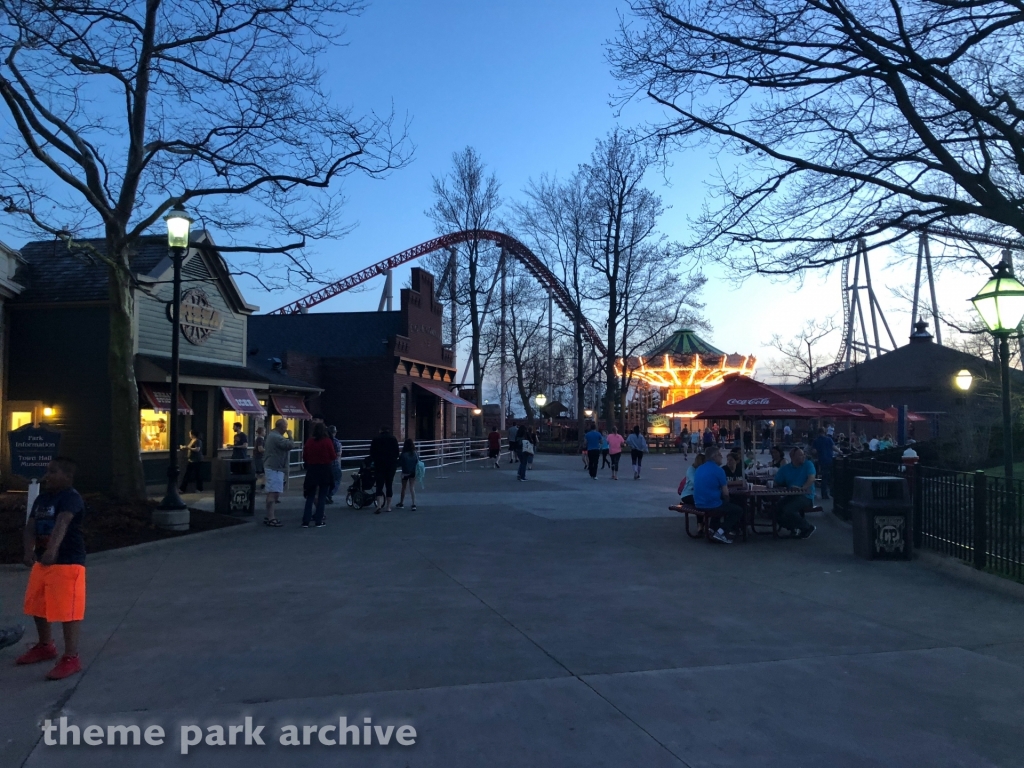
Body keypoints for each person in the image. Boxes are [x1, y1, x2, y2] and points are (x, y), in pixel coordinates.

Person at [17, 457, 86, 680]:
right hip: (43, 561)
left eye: (53, 472)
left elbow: (62, 523)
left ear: (67, 476)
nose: (48, 476)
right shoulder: (42, 499)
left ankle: (71, 657)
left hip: (67, 561)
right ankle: (45, 645)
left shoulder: (70, 498)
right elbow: (30, 526)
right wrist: (29, 551)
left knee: (68, 610)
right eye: (47, 471)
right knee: (38, 605)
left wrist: (52, 550)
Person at [693, 448, 745, 544]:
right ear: (715, 456)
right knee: (737, 510)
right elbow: (726, 493)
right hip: (711, 504)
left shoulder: (700, 468)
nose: (722, 457)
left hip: (698, 502)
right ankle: (721, 531)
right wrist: (728, 500)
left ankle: (712, 528)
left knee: (720, 503)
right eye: (720, 454)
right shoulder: (719, 470)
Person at [773, 448, 817, 539]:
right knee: (776, 509)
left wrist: (802, 488)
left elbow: (811, 478)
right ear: (792, 457)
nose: (803, 456)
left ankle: (807, 527)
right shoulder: (785, 468)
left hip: (806, 495)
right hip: (791, 495)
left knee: (788, 509)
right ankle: (793, 527)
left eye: (803, 454)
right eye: (800, 455)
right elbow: (777, 482)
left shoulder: (808, 464)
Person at [301, 422, 336, 528]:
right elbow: (333, 456)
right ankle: (318, 520)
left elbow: (305, 456)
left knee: (310, 496)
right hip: (325, 469)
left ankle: (305, 521)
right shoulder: (327, 441)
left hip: (312, 470)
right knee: (322, 496)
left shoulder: (309, 441)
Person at [263, 419, 295, 527]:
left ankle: (269, 516)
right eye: (285, 427)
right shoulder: (276, 437)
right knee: (273, 493)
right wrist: (290, 436)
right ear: (282, 427)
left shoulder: (272, 435)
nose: (286, 429)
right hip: (274, 468)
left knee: (273, 492)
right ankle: (271, 517)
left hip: (275, 467)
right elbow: (289, 445)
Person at [369, 426, 400, 513]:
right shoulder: (393, 439)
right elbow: (397, 453)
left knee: (379, 485)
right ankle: (388, 507)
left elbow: (372, 452)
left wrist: (375, 460)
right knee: (389, 485)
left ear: (380, 430)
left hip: (379, 465)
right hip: (391, 465)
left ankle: (379, 505)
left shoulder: (376, 439)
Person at [811, 427, 836, 500]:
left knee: (824, 477)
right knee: (831, 477)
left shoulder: (816, 441)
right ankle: (831, 492)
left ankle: (824, 493)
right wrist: (840, 452)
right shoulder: (828, 439)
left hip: (821, 460)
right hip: (830, 460)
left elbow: (814, 451)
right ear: (824, 432)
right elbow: (834, 447)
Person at [396, 438, 419, 511]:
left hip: (405, 472)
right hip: (413, 472)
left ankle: (401, 503)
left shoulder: (403, 454)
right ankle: (414, 504)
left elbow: (399, 463)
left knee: (403, 488)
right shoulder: (415, 453)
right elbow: (418, 461)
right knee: (412, 488)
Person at [326, 425, 343, 503]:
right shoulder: (336, 442)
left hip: (326, 464)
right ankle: (330, 494)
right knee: (337, 479)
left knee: (328, 481)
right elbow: (338, 454)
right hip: (335, 464)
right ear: (334, 432)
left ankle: (326, 494)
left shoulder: (325, 440)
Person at [253, 426, 266, 491]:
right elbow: (260, 449)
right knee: (260, 473)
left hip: (258, 457)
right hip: (259, 457)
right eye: (264, 431)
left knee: (261, 472)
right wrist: (267, 450)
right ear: (261, 432)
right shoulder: (260, 439)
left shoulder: (259, 439)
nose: (265, 433)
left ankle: (262, 484)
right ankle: (256, 485)